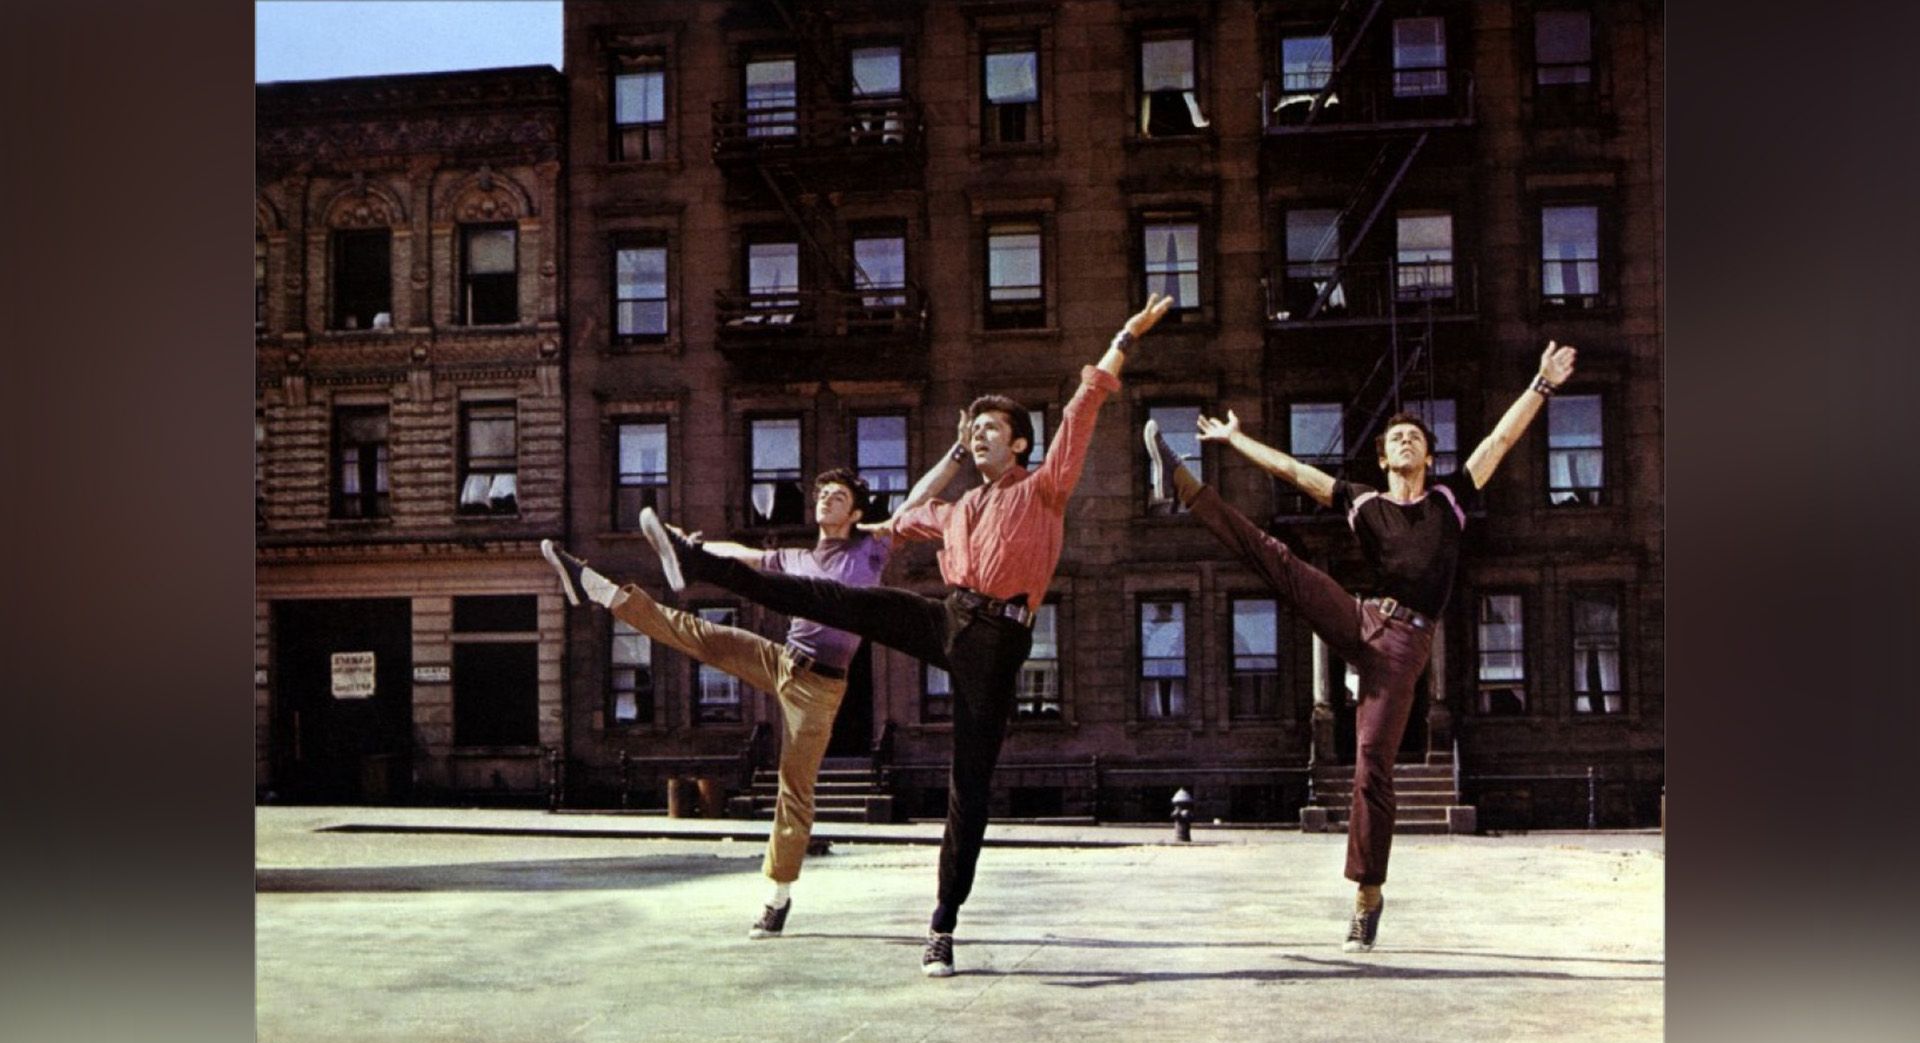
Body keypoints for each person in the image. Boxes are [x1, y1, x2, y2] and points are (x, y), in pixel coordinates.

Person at [636, 295, 1177, 976]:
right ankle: (696, 564)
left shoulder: (1044, 489)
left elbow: (1083, 405)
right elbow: (902, 516)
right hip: (947, 617)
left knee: (968, 790)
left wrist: (1125, 335)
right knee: (829, 595)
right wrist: (723, 545)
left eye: (991, 428)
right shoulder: (955, 511)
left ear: (1019, 443)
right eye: (973, 428)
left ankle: (943, 926)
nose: (980, 435)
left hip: (998, 643)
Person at [1142, 341, 1578, 952]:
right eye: (1395, 437)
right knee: (1280, 562)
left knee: (1373, 762)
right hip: (1362, 616)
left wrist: (1541, 384)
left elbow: (1499, 443)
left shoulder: (1450, 499)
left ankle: (1367, 895)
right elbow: (1294, 472)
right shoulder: (1363, 502)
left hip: (1404, 646)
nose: (1404, 442)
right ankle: (1186, 484)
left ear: (1429, 454)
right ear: (1382, 456)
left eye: (1414, 438)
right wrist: (1236, 441)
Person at [539, 464, 947, 940]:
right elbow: (744, 556)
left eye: (837, 497)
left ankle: (777, 898)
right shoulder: (795, 558)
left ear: (856, 512)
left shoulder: (870, 548)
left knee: (794, 789)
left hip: (820, 688)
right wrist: (696, 548)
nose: (826, 501)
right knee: (699, 634)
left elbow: (917, 498)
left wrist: (957, 455)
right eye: (822, 495)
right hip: (783, 661)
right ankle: (597, 587)